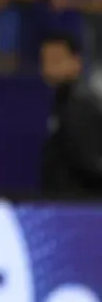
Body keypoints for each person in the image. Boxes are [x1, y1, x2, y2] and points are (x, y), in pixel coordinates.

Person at [39, 34, 102, 196]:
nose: (48, 67)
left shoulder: (81, 106)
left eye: (56, 60)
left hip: (80, 205)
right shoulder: (59, 102)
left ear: (76, 61)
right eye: (45, 60)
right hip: (60, 203)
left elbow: (90, 163)